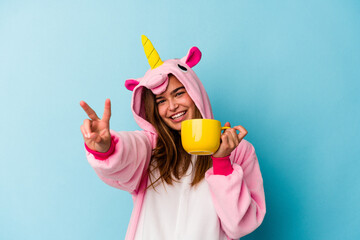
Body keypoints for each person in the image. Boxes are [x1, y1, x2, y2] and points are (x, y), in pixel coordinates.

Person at [80, 35, 266, 240]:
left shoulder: (239, 151)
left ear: (195, 93)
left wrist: (222, 162)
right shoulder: (150, 147)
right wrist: (106, 147)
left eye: (178, 93)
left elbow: (240, 225)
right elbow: (126, 153)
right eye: (161, 100)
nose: (172, 106)